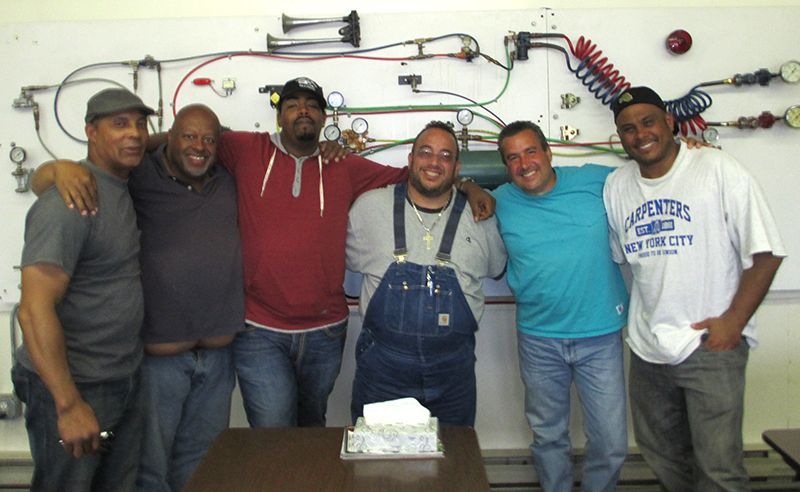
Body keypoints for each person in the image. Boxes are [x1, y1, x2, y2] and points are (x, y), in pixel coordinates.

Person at [215, 77, 495, 427]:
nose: (303, 111)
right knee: (272, 430)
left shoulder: (343, 166)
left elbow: (418, 176)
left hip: (324, 331)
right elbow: (196, 137)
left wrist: (468, 185)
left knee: (312, 427)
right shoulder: (246, 150)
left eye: (312, 105)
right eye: (292, 105)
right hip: (260, 328)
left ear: (323, 118)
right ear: (279, 117)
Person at [31, 104, 244, 491]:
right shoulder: (138, 176)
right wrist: (54, 168)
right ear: (169, 137)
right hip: (158, 365)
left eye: (209, 139)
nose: (199, 146)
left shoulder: (228, 180)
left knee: (203, 464)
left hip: (217, 360)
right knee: (149, 472)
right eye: (188, 136)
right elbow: (47, 180)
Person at [603, 86, 785, 491]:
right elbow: (626, 259)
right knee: (664, 458)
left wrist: (732, 323)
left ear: (669, 123)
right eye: (628, 128)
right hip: (649, 349)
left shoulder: (716, 169)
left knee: (719, 468)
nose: (639, 134)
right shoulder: (617, 185)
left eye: (648, 122)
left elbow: (767, 253)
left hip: (709, 344)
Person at [11, 88, 152, 491]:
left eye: (140, 124)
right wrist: (69, 404)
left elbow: (174, 141)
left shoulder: (117, 183)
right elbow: (34, 310)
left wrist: (53, 167)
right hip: (76, 384)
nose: (134, 134)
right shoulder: (68, 202)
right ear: (91, 131)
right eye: (119, 124)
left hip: (120, 376)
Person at [492, 121, 629, 491]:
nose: (524, 164)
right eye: (513, 158)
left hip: (599, 335)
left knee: (611, 442)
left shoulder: (594, 181)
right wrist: (472, 187)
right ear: (506, 166)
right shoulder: (501, 200)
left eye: (531, 151)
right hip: (538, 339)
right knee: (548, 437)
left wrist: (693, 151)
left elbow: (650, 172)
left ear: (549, 152)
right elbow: (459, 188)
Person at [346, 121, 507, 426]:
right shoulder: (369, 208)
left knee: (452, 464)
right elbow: (343, 261)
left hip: (453, 376)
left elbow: (496, 268)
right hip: (382, 373)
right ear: (410, 159)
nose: (434, 162)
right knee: (377, 468)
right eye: (426, 152)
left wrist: (472, 188)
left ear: (456, 167)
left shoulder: (480, 215)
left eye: (445, 156)